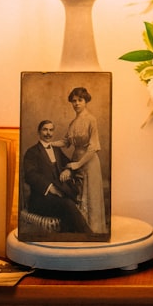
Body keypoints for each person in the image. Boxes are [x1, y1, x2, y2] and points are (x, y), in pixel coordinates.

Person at [22, 120, 89, 233]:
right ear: (39, 132)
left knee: (69, 210)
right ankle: (88, 236)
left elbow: (69, 162)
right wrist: (49, 187)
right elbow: (30, 175)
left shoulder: (56, 150)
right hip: (40, 200)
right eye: (45, 129)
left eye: (51, 130)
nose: (48, 133)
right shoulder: (31, 152)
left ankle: (70, 240)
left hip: (60, 195)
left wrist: (67, 170)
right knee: (68, 205)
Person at [56, 87, 107, 234]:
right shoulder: (73, 123)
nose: (76, 103)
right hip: (75, 162)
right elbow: (65, 142)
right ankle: (80, 230)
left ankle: (93, 231)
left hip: (89, 162)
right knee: (77, 195)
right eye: (74, 101)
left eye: (80, 100)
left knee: (90, 197)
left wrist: (78, 164)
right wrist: (49, 143)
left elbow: (94, 147)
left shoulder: (91, 120)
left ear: (85, 101)